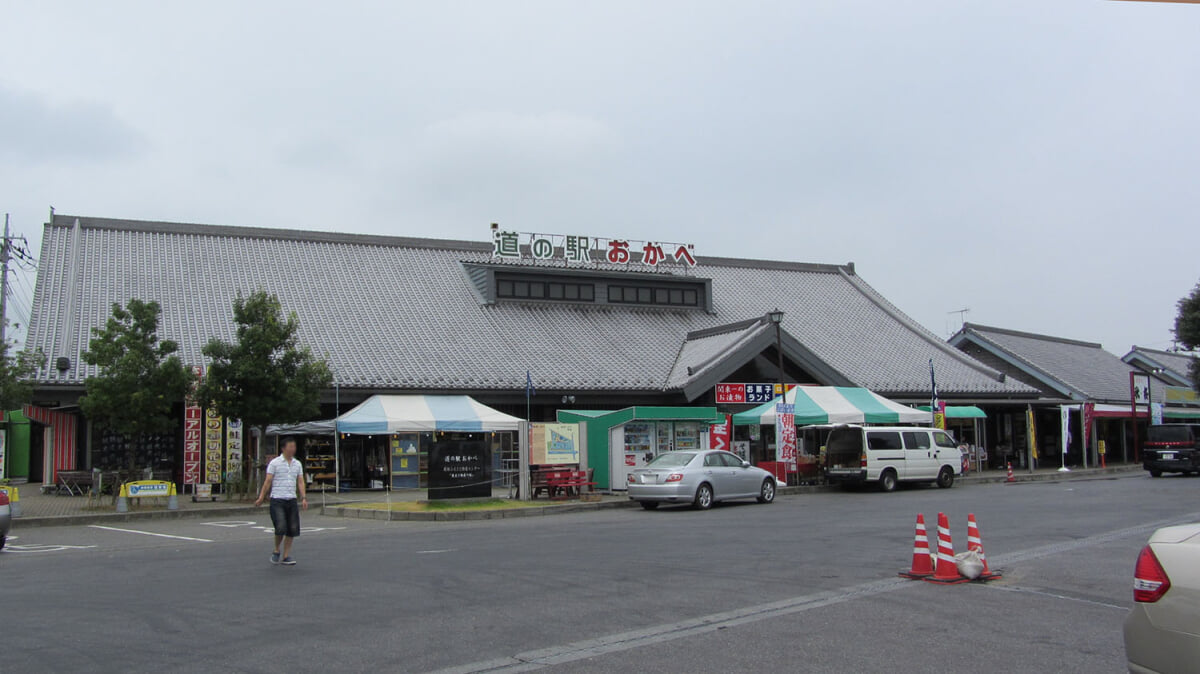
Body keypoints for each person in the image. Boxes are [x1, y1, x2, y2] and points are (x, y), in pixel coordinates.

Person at [255, 436, 307, 565]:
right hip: (277, 499)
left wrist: (303, 497)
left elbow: (300, 481)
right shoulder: (275, 463)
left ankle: (286, 555)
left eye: (294, 447)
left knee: (292, 528)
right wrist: (261, 497)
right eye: (290, 447)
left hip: (291, 499)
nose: (293, 449)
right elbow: (268, 481)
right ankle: (277, 549)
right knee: (280, 526)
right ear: (283, 448)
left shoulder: (297, 464)